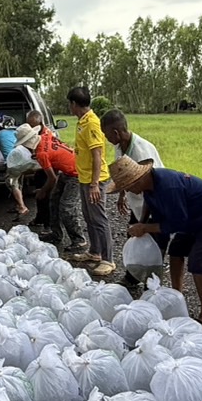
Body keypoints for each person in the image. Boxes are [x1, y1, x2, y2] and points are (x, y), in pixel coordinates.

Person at [109, 156, 202, 328]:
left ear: (138, 179)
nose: (129, 191)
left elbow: (177, 224)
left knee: (198, 265)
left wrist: (145, 228)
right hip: (191, 217)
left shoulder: (168, 187)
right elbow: (149, 201)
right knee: (176, 251)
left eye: (129, 186)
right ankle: (178, 297)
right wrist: (143, 222)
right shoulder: (149, 184)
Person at [101, 109, 164, 287]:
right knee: (134, 237)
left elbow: (153, 190)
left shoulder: (141, 153)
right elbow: (125, 173)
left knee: (152, 244)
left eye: (107, 135)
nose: (107, 139)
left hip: (153, 203)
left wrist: (142, 223)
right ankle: (132, 276)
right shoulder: (119, 145)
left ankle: (152, 283)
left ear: (116, 132)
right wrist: (122, 194)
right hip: (137, 200)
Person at [67, 86, 115, 277]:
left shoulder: (92, 123)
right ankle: (95, 252)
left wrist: (95, 183)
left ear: (73, 104)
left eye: (69, 105)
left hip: (95, 179)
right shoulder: (82, 121)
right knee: (89, 216)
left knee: (99, 218)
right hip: (84, 177)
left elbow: (97, 154)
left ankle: (108, 259)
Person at [25, 122, 86, 252]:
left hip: (76, 173)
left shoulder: (42, 154)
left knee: (66, 207)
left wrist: (42, 191)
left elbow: (52, 178)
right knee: (54, 200)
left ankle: (78, 239)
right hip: (67, 169)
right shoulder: (45, 135)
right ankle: (56, 234)